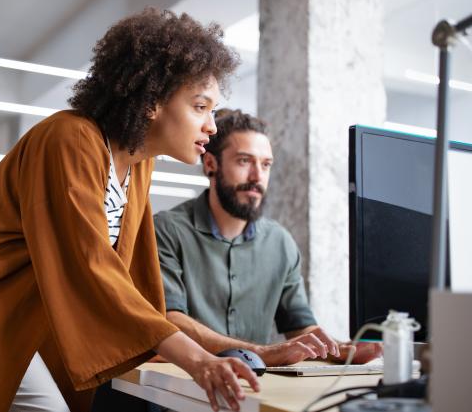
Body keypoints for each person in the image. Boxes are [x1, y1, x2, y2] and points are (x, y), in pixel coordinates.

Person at [0, 9, 259, 412]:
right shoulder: (71, 139)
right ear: (152, 101)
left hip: (4, 317)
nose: (211, 125)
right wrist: (194, 358)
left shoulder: (138, 165)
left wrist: (227, 351)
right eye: (200, 106)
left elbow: (131, 277)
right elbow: (89, 261)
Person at [154, 110, 383, 367]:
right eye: (244, 161)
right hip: (181, 385)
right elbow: (169, 320)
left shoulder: (280, 243)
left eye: (265, 165)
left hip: (253, 387)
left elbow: (300, 327)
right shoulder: (167, 230)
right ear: (210, 164)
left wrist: (341, 349)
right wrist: (260, 353)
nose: (257, 177)